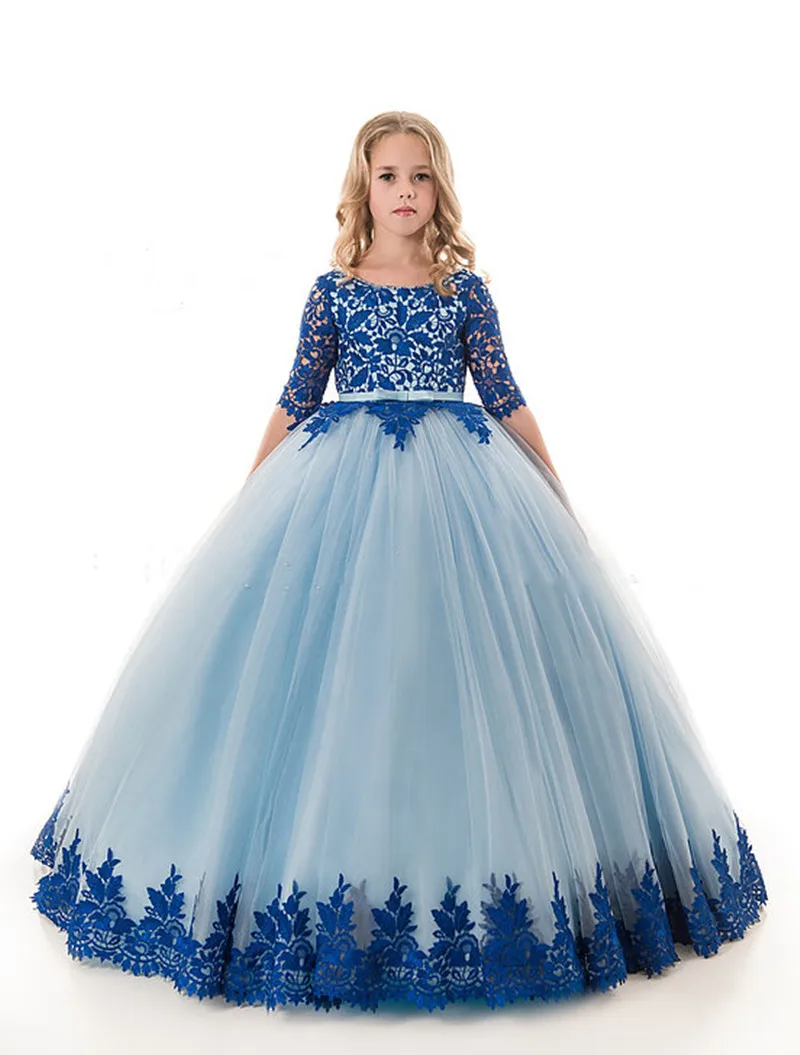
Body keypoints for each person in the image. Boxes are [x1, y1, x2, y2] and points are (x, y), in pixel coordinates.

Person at [30, 110, 767, 1015]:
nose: (406, 191)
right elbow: (298, 396)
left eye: (420, 176)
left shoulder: (464, 292)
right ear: (364, 188)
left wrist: (556, 491)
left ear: (439, 190)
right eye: (389, 176)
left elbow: (504, 395)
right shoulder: (333, 292)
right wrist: (251, 500)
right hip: (339, 490)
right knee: (348, 670)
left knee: (447, 668)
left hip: (465, 492)